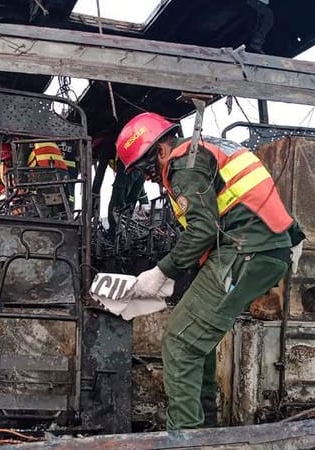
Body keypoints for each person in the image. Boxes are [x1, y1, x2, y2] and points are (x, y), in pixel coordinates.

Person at [115, 112, 305, 430]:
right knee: (196, 341)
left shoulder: (182, 164)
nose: (149, 178)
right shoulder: (211, 148)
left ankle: (186, 437)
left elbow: (203, 228)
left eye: (146, 169)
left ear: (160, 149)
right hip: (262, 249)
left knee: (179, 341)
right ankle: (205, 430)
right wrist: (294, 236)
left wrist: (163, 272)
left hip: (245, 252)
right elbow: (257, 195)